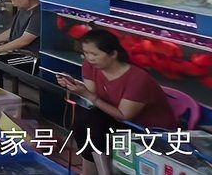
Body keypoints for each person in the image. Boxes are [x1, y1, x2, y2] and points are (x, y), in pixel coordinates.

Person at [59, 29, 178, 175]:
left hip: (148, 129)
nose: (90, 58)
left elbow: (124, 115)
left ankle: (101, 172)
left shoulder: (138, 79)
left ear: (113, 54)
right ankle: (91, 170)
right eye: (86, 53)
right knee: (84, 118)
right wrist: (73, 85)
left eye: (95, 54)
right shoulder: (91, 66)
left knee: (93, 122)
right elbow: (93, 95)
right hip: (116, 119)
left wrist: (87, 94)